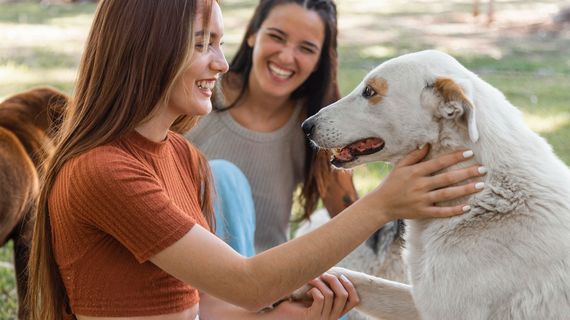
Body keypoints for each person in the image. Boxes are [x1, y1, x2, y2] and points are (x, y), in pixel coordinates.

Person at [25, 0, 486, 319]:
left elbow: (210, 304)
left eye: (219, 43)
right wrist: (383, 204)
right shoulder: (103, 172)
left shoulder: (181, 156)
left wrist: (293, 313)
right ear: (148, 51)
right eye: (202, 44)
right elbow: (245, 285)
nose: (221, 63)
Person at [186, 0, 359, 256]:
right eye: (277, 37)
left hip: (265, 284)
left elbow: (353, 225)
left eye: (307, 48)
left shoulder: (314, 129)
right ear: (253, 33)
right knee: (222, 176)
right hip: (183, 274)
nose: (287, 57)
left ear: (319, 61)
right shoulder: (199, 96)